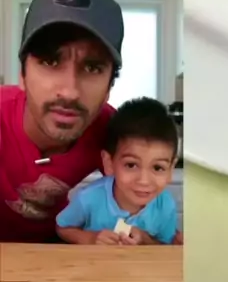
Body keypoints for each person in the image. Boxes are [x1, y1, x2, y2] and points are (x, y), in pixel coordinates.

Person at [0, 0, 124, 243]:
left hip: (56, 244)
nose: (69, 92)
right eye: (50, 61)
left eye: (92, 68)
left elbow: (138, 201)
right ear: (22, 74)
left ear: (109, 87)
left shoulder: (111, 129)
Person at [56, 98, 179, 246]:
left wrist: (145, 239)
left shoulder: (165, 205)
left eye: (158, 168)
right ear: (109, 163)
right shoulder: (89, 198)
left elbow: (166, 245)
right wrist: (90, 239)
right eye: (131, 165)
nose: (144, 181)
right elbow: (62, 228)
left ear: (171, 169)